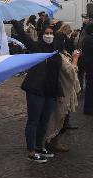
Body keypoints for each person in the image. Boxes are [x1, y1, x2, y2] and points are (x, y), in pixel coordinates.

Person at [12, 19, 62, 162]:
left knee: (44, 121)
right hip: (36, 89)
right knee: (33, 120)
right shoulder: (36, 47)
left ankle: (39, 146)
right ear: (41, 35)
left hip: (50, 91)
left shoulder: (55, 50)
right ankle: (31, 151)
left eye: (51, 33)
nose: (49, 35)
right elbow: (24, 36)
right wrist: (16, 22)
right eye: (46, 33)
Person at [45, 30, 81, 153]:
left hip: (66, 90)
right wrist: (75, 59)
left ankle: (52, 140)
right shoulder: (58, 56)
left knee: (63, 117)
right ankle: (52, 141)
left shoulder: (63, 54)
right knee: (59, 117)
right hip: (62, 90)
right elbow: (71, 71)